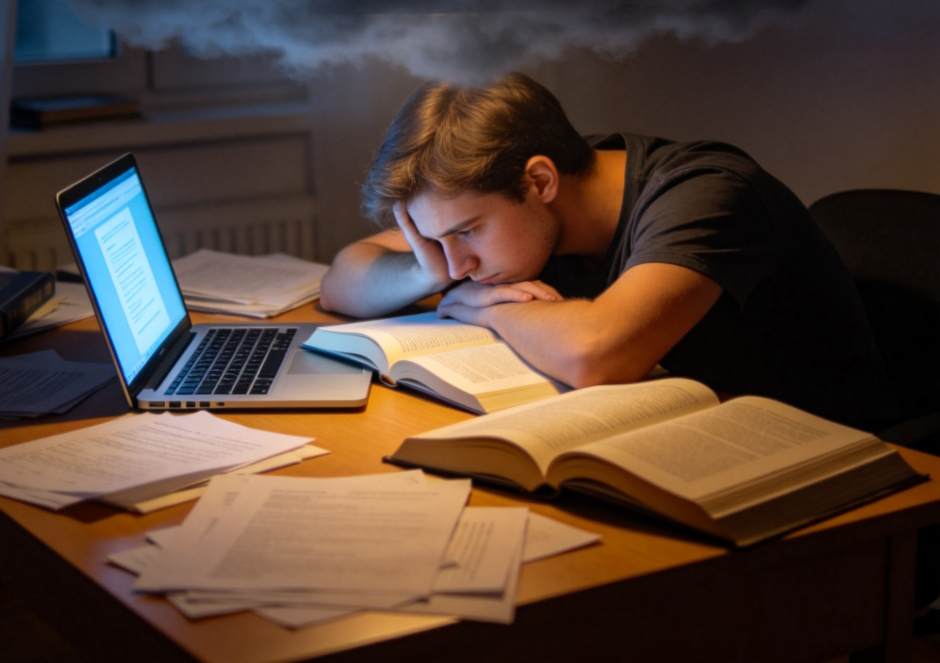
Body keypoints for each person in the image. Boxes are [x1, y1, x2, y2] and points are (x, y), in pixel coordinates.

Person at [320, 72, 905, 435]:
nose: (458, 266)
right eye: (434, 240)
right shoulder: (527, 200)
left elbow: (598, 353)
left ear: (540, 181)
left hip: (828, 467)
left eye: (467, 232)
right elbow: (341, 281)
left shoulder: (708, 193)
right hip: (680, 428)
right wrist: (425, 269)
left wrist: (480, 306)